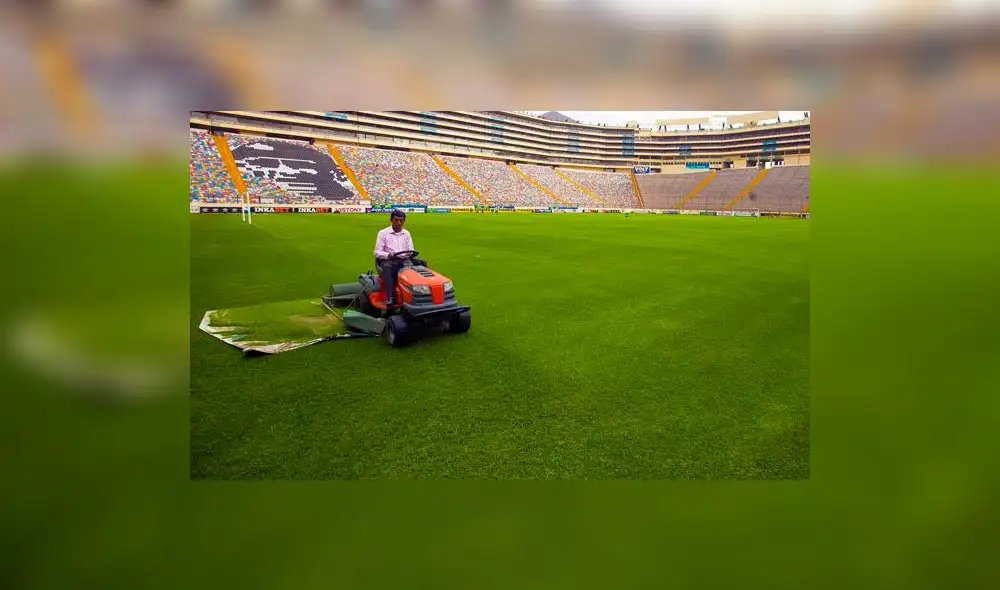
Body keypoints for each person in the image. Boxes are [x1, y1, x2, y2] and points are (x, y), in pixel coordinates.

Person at [373, 209, 415, 306]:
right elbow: (377, 252)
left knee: (423, 264)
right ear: (391, 220)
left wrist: (410, 255)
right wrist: (389, 255)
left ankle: (422, 292)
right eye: (396, 220)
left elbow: (410, 249)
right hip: (389, 260)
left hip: (404, 259)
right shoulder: (383, 233)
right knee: (388, 268)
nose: (398, 223)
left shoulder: (407, 233)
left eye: (401, 220)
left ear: (404, 221)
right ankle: (391, 297)